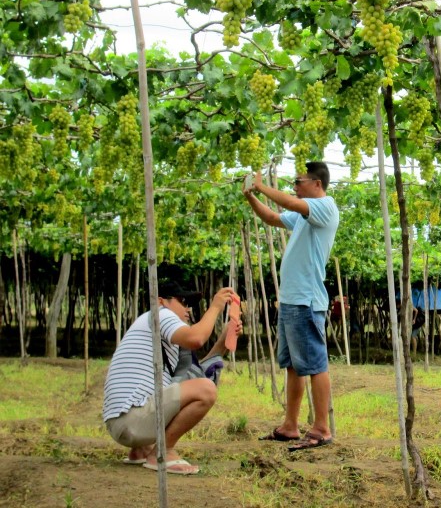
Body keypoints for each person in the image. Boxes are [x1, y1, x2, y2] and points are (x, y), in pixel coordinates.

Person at [243, 161, 339, 451]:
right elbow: (273, 217)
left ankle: (321, 427)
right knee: (294, 367)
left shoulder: (325, 208)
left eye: (299, 182)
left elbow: (288, 202)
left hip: (305, 300)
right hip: (291, 300)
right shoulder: (304, 216)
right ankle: (290, 426)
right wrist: (251, 197)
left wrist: (261, 185)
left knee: (314, 364)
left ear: (317, 184)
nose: (295, 187)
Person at [102, 282, 240, 475]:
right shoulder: (160, 314)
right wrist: (216, 306)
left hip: (121, 425)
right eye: (183, 302)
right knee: (206, 390)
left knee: (200, 385)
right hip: (131, 421)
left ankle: (140, 449)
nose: (188, 309)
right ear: (161, 302)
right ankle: (163, 452)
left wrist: (223, 340)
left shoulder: (158, 331)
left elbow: (194, 374)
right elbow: (196, 338)